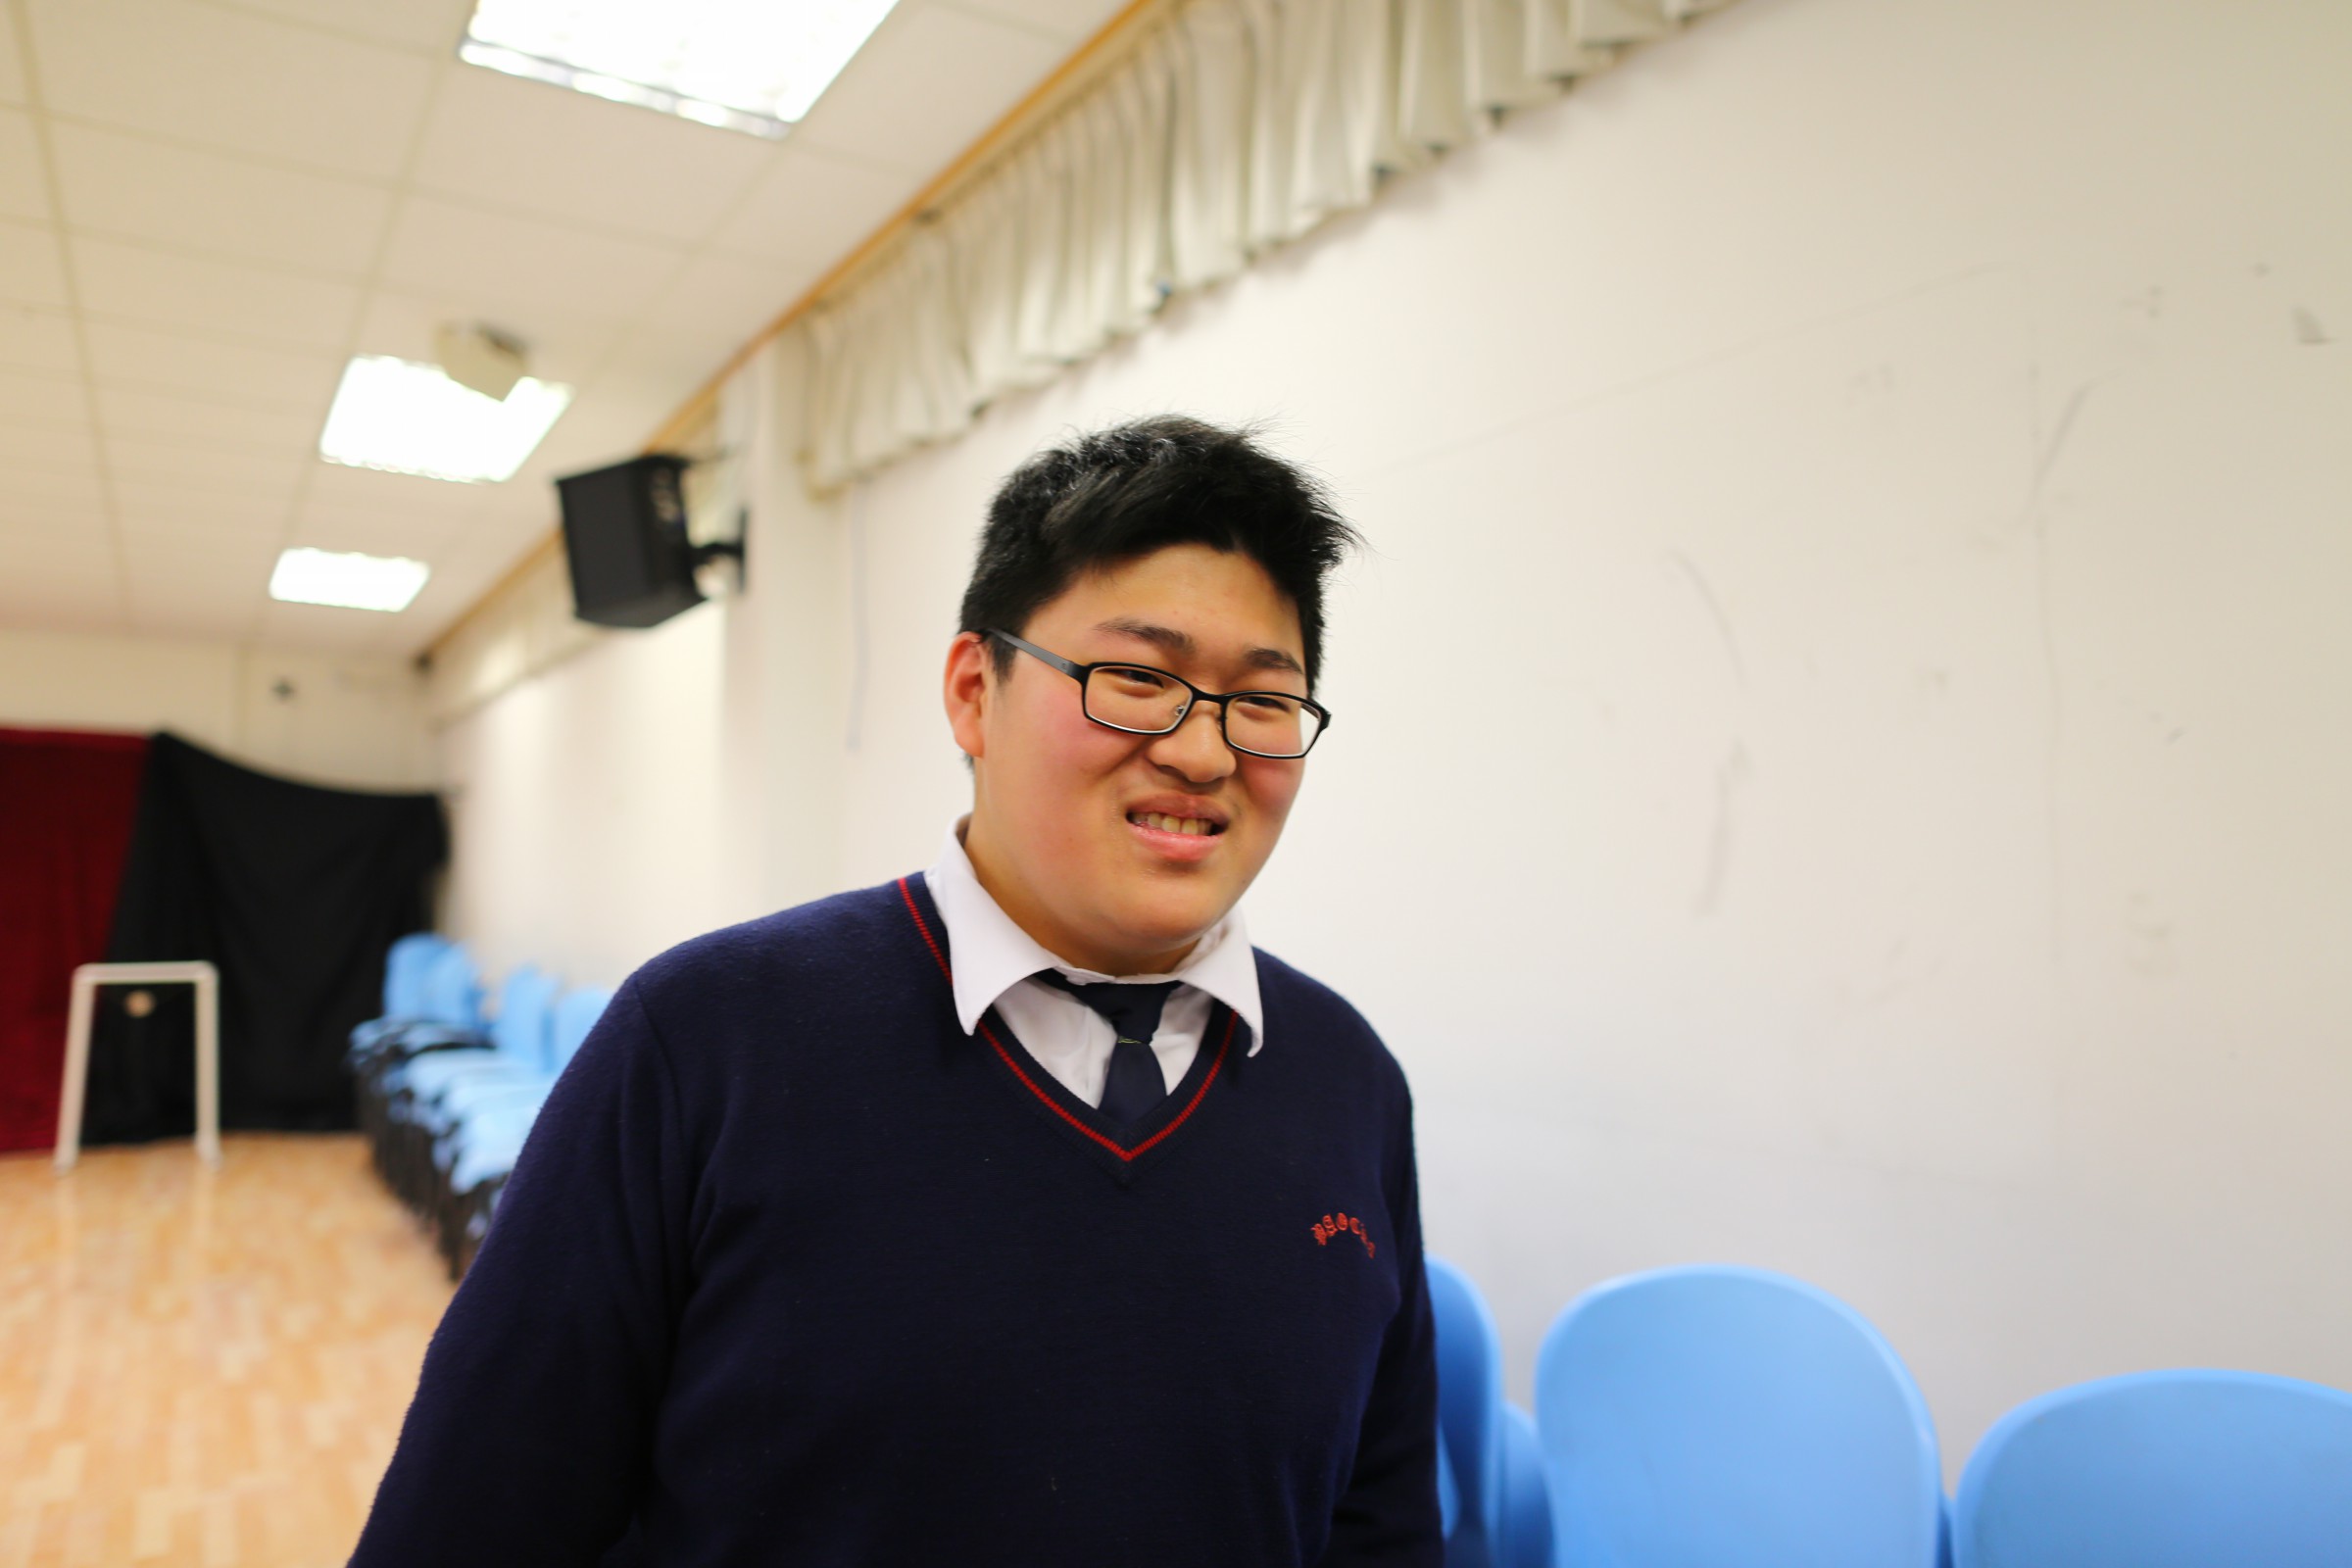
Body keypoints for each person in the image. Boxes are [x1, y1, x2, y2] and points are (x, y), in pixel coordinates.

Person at [351, 416, 1442, 1566]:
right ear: (975, 690)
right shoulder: (709, 1039)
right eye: (1136, 678)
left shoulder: (1347, 1081)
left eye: (1262, 702)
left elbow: (1382, 1525)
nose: (1204, 753)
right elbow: (471, 1523)